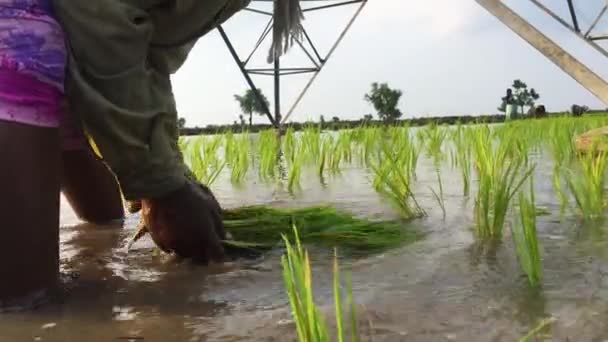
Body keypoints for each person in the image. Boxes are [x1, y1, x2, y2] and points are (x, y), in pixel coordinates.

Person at [0, 0, 304, 304]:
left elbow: (144, 54)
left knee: (106, 227)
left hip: (68, 41)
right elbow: (100, 19)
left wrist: (175, 176)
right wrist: (163, 188)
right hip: (24, 26)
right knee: (26, 301)